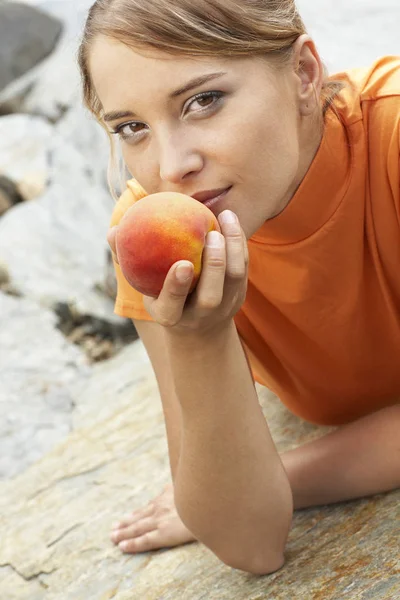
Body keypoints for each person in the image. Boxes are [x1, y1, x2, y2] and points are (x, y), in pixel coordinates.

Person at [78, 0, 400, 575]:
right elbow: (250, 545)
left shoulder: (393, 138)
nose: (172, 166)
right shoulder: (151, 235)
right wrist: (199, 340)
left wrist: (288, 474)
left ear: (304, 73)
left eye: (203, 101)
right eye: (132, 128)